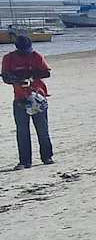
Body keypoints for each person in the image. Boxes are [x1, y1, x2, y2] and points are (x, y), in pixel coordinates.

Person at [4, 34, 53, 169]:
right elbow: (6, 78)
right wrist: (16, 79)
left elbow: (47, 72)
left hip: (38, 97)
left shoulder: (36, 56)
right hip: (20, 98)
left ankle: (47, 157)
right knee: (22, 132)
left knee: (42, 130)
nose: (26, 53)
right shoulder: (8, 58)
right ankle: (25, 161)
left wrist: (31, 75)